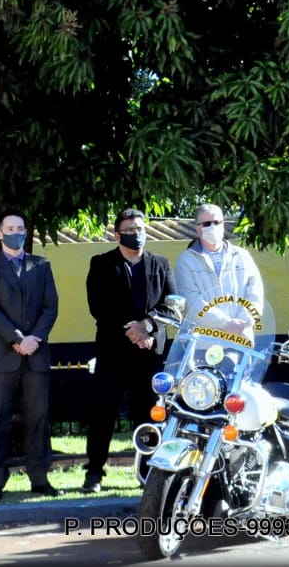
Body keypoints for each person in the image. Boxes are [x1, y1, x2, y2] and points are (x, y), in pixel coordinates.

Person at [82, 208, 175, 493]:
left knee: (149, 414)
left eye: (140, 229)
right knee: (103, 412)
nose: (137, 234)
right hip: (113, 352)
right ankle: (94, 472)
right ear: (117, 234)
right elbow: (99, 307)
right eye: (130, 230)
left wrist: (147, 326)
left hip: (150, 353)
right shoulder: (102, 264)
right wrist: (133, 332)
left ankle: (148, 472)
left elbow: (172, 306)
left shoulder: (160, 263)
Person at [0, 211, 61, 500]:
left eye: (20, 228)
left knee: (37, 419)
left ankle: (39, 478)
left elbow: (50, 306)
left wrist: (34, 338)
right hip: (3, 356)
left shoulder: (41, 265)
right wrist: (17, 338)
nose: (16, 233)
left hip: (35, 355)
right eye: (10, 228)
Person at [174, 203, 264, 334]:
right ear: (197, 228)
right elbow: (191, 300)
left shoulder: (242, 256)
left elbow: (256, 293)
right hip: (204, 339)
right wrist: (225, 323)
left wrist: (242, 322)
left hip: (241, 336)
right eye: (207, 224)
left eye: (216, 222)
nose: (213, 227)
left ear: (223, 225)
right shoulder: (186, 260)